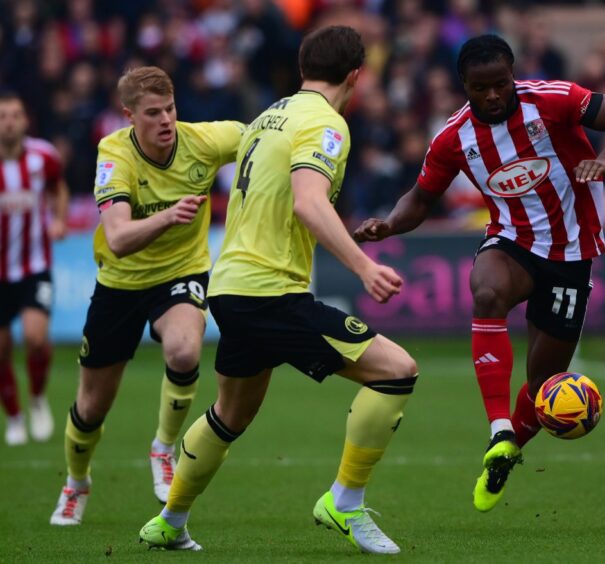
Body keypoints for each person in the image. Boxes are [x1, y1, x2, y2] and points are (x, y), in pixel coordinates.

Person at [139, 26, 418, 554]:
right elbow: (308, 203)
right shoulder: (326, 124)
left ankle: (170, 521)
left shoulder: (270, 114)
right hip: (272, 292)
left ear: (302, 67)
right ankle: (344, 500)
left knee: (229, 415)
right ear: (356, 76)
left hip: (230, 285)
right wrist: (364, 267)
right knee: (397, 372)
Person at [354, 34, 605, 512]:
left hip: (572, 252)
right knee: (487, 292)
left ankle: (509, 450)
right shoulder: (454, 137)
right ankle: (498, 427)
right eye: (480, 88)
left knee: (542, 385)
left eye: (501, 84)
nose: (492, 95)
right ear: (464, 86)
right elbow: (421, 198)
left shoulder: (555, 101)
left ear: (513, 74)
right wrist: (389, 224)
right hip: (511, 240)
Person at [49, 67, 244, 525]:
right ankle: (76, 483)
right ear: (129, 116)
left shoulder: (207, 140)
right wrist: (169, 216)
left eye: (170, 109)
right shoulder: (113, 153)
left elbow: (265, 135)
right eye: (152, 113)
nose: (165, 121)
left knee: (184, 348)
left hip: (180, 272)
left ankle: (162, 448)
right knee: (91, 406)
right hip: (119, 282)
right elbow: (116, 237)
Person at [0, 91, 69, 446]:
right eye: (3, 116)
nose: (9, 122)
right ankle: (13, 415)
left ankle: (38, 400)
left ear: (26, 120)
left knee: (36, 339)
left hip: (34, 266)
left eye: (15, 115)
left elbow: (59, 189)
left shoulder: (43, 157)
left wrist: (58, 220)